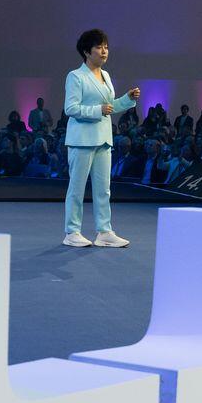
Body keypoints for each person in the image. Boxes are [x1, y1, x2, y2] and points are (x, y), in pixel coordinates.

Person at [62, 28, 140, 248]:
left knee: (103, 189)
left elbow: (109, 106)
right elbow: (70, 108)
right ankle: (72, 232)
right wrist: (98, 110)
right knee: (77, 188)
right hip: (81, 140)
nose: (104, 51)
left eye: (106, 47)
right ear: (87, 52)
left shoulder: (105, 75)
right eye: (99, 47)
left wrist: (127, 99)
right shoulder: (75, 76)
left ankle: (104, 231)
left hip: (103, 139)